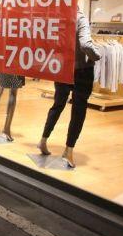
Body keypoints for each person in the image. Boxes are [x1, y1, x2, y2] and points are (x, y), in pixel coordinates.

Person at [38, 9, 101, 168]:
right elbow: (86, 44)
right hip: (81, 70)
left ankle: (43, 140)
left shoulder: (57, 18)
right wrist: (98, 56)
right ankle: (68, 150)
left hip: (61, 67)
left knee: (58, 104)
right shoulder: (80, 18)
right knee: (78, 110)